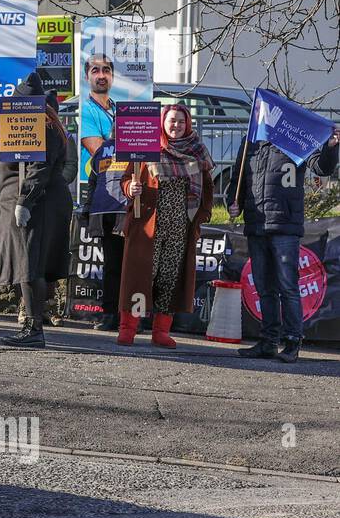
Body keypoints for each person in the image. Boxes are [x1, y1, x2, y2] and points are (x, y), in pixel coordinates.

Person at [0, 72, 73, 348]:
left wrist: (25, 200)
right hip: (6, 203)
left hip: (35, 203)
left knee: (29, 264)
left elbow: (39, 168)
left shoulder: (45, 127)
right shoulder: (16, 126)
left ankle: (34, 328)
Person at [228, 116, 340, 363]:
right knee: (264, 287)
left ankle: (291, 342)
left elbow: (323, 168)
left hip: (285, 227)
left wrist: (331, 147)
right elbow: (237, 179)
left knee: (287, 287)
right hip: (256, 226)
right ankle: (268, 342)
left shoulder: (294, 141)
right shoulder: (250, 143)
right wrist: (232, 204)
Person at [116, 104, 214, 347]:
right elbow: (127, 179)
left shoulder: (198, 152)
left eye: (181, 122)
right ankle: (128, 328)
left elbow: (208, 189)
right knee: (140, 278)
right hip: (148, 226)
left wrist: (201, 217)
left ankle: (161, 332)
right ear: (163, 122)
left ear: (188, 124)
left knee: (169, 279)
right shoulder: (147, 149)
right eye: (172, 121)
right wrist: (131, 188)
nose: (176, 126)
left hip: (180, 228)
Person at [78, 54, 124, 331]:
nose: (101, 74)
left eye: (106, 70)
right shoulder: (87, 110)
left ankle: (129, 314)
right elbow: (99, 150)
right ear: (88, 77)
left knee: (130, 258)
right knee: (112, 260)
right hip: (103, 194)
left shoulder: (119, 109)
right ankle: (109, 313)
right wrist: (125, 140)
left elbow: (138, 147)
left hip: (130, 192)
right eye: (96, 70)